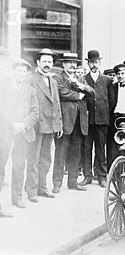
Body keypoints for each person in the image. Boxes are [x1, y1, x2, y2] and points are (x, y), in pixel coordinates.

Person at [52, 53, 95, 193]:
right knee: (61, 152)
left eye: (74, 62)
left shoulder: (80, 78)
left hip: (79, 121)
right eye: (69, 62)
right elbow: (61, 92)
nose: (72, 65)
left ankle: (73, 182)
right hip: (65, 121)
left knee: (76, 153)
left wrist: (80, 86)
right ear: (63, 64)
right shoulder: (57, 77)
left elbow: (92, 91)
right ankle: (57, 183)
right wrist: (79, 95)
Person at [24, 48, 63, 203]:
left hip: (50, 126)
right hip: (36, 126)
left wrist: (58, 125)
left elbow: (57, 103)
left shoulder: (53, 81)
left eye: (49, 61)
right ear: (38, 62)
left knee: (46, 159)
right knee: (33, 159)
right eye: (44, 61)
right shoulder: (30, 79)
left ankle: (42, 188)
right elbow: (26, 104)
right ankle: (31, 191)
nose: (47, 64)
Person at [0, 58, 39, 211]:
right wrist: (12, 123)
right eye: (18, 70)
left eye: (24, 71)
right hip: (5, 132)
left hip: (22, 132)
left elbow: (35, 112)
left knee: (19, 166)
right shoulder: (3, 86)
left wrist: (23, 125)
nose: (21, 73)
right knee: (0, 165)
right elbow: (1, 108)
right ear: (13, 71)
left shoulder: (30, 90)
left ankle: (17, 197)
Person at [80, 50, 112, 188]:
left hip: (102, 119)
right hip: (87, 119)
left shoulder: (107, 80)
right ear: (88, 63)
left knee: (100, 148)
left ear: (100, 63)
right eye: (91, 62)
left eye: (96, 62)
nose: (94, 65)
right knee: (86, 148)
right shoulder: (83, 79)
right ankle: (87, 176)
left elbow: (111, 100)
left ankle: (102, 176)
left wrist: (107, 116)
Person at [107, 63, 125, 170]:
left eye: (122, 73)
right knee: (114, 144)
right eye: (118, 74)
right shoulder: (112, 87)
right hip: (116, 117)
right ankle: (115, 171)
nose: (120, 76)